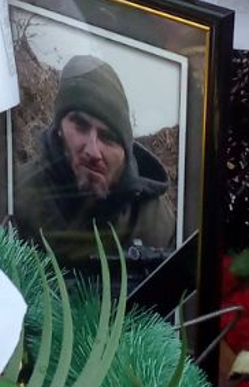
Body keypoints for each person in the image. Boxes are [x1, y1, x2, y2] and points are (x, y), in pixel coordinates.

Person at [15, 54, 176, 268]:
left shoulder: (155, 223)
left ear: (125, 151)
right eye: (81, 126)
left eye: (107, 137)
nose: (93, 151)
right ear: (60, 128)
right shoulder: (18, 196)